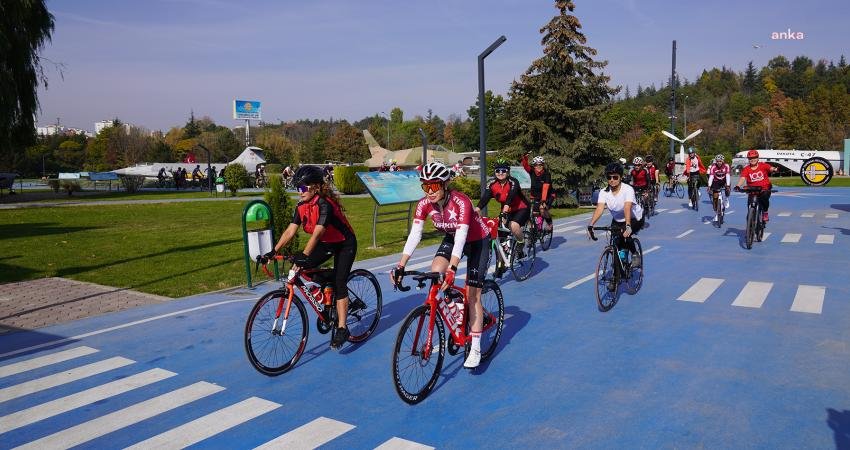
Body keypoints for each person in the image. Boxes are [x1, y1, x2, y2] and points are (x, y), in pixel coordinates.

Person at [390, 162, 491, 369]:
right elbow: (415, 234)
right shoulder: (424, 204)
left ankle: (476, 347)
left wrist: (453, 269)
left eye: (434, 186)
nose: (429, 192)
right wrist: (401, 264)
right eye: (425, 187)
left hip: (477, 241)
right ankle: (454, 306)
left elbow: (462, 235)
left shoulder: (461, 202)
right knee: (435, 272)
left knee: (473, 295)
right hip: (452, 237)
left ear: (444, 184)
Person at [267, 165, 357, 349]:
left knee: (340, 282)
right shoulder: (301, 206)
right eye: (297, 188)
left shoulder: (325, 205)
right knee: (301, 268)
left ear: (315, 187)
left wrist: (304, 255)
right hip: (327, 242)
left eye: (302, 188)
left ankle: (342, 328)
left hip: (344, 243)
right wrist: (273, 251)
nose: (299, 192)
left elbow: (317, 234)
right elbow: (291, 230)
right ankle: (327, 288)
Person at [587, 162, 646, 273]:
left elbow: (627, 207)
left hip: (635, 218)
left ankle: (634, 253)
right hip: (618, 220)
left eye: (615, 177)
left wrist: (628, 226)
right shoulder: (604, 192)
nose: (612, 180)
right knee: (615, 244)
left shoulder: (627, 189)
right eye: (609, 177)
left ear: (621, 177)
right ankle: (616, 277)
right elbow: (599, 209)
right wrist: (591, 224)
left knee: (626, 235)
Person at [475, 158, 530, 259]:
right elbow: (486, 197)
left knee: (513, 225)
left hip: (521, 208)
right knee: (499, 229)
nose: (500, 173)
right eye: (498, 170)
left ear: (508, 171)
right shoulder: (491, 183)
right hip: (506, 209)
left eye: (503, 170)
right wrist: (477, 209)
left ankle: (521, 243)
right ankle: (503, 258)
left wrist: (504, 210)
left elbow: (511, 197)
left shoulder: (513, 181)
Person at [734, 149, 778, 222]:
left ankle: (765, 212)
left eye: (754, 158)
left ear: (758, 158)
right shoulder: (746, 169)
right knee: (750, 210)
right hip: (752, 189)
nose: (752, 159)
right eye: (750, 158)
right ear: (748, 159)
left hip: (764, 188)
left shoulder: (763, 165)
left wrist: (774, 169)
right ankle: (750, 227)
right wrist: (738, 186)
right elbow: (742, 178)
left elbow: (770, 168)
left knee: (764, 198)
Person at [520, 153, 554, 230]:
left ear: (543, 165)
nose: (538, 167)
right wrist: (525, 157)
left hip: (548, 195)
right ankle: (538, 226)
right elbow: (525, 166)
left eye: (540, 165)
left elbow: (545, 188)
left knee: (542, 209)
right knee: (534, 212)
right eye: (536, 165)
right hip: (536, 195)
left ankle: (549, 223)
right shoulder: (532, 171)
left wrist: (544, 200)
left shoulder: (546, 174)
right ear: (534, 166)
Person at [707, 154, 731, 222]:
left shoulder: (726, 166)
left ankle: (726, 199)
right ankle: (717, 210)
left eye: (720, 161)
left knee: (727, 187)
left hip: (724, 180)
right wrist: (709, 186)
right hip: (716, 181)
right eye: (717, 161)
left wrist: (728, 185)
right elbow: (711, 176)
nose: (719, 162)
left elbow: (728, 175)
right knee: (715, 196)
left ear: (723, 161)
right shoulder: (713, 167)